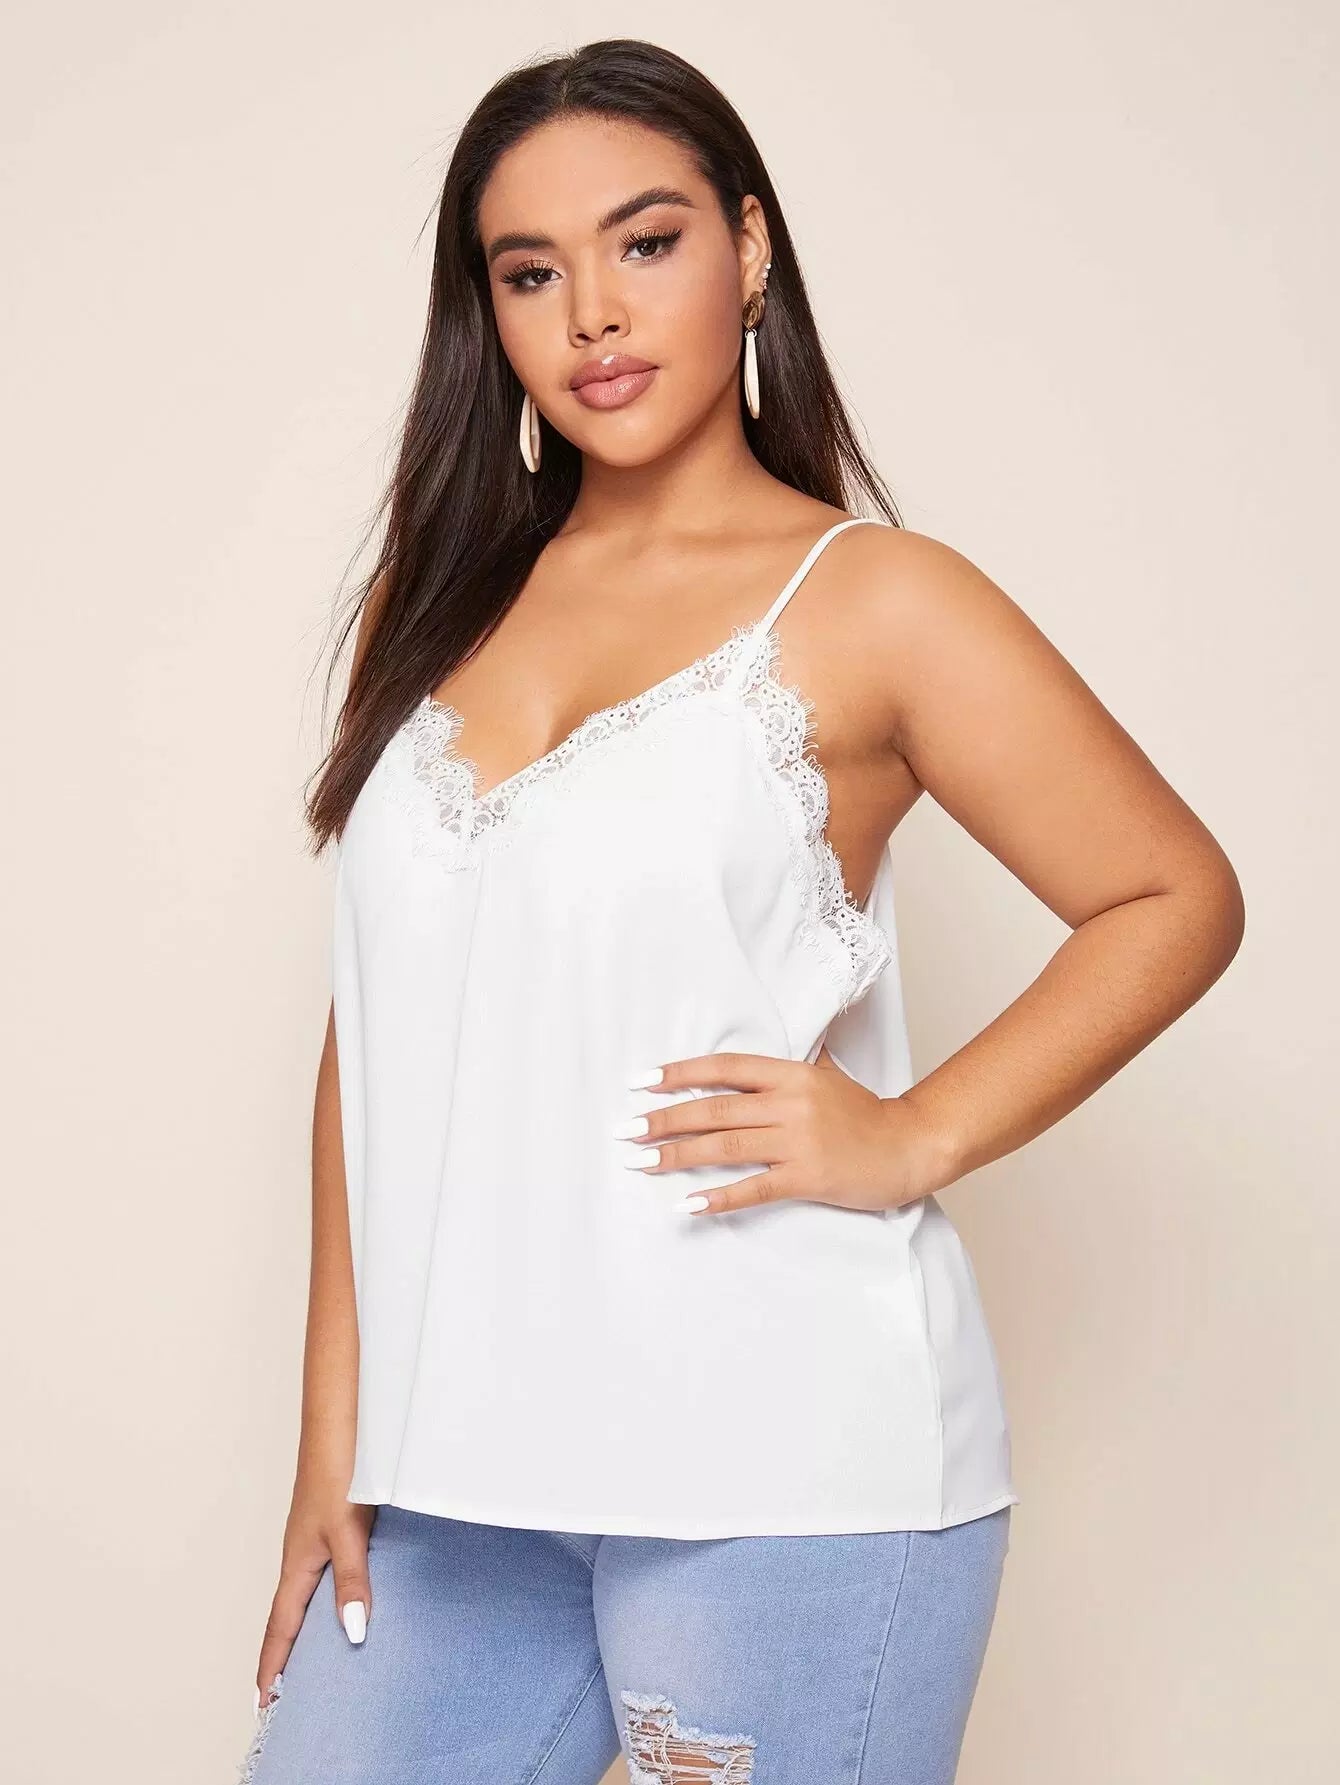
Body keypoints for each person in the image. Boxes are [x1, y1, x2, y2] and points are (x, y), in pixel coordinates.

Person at [239, 36, 1244, 1785]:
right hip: (456, 1476)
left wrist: (914, 1131)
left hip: (786, 1462)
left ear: (752, 247)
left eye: (647, 242)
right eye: (531, 272)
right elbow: (378, 1018)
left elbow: (1173, 893)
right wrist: (339, 1426)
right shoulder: (439, 593)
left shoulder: (878, 601)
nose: (594, 315)